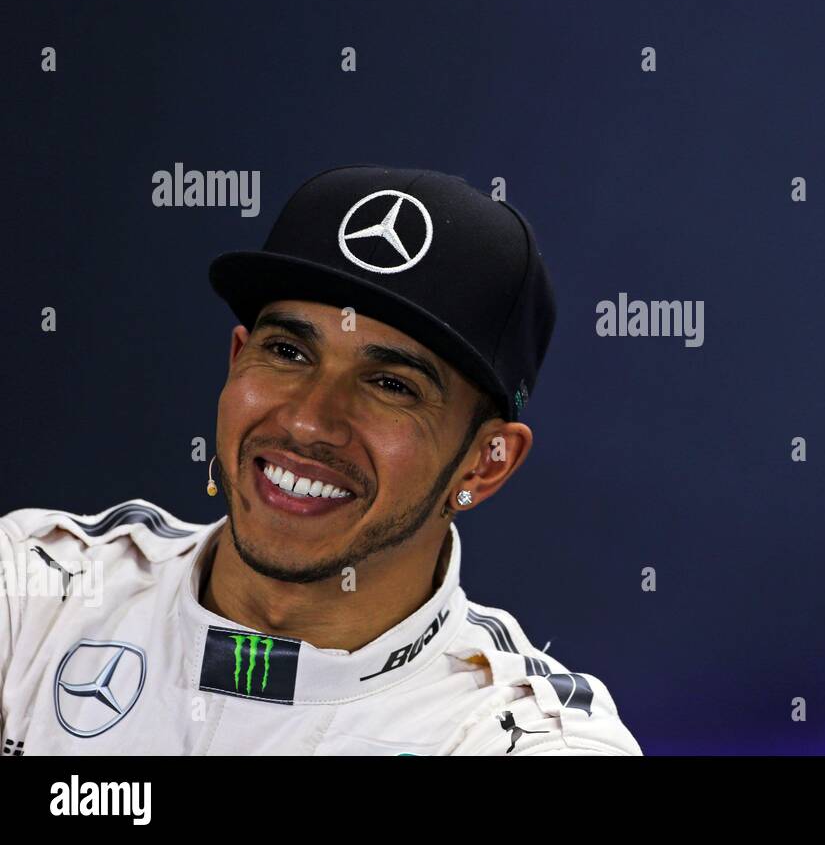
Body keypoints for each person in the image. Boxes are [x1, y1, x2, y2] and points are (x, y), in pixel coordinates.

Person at [0, 165, 641, 755]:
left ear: (485, 462)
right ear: (236, 360)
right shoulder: (36, 588)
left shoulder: (525, 737)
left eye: (392, 385)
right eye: (287, 353)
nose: (308, 420)